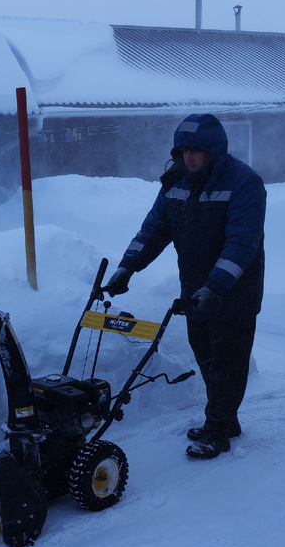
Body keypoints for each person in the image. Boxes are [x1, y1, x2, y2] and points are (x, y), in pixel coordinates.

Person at [104, 113, 266, 460]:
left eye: (197, 151)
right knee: (205, 355)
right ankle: (226, 418)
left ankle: (218, 428)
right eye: (184, 151)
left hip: (233, 292)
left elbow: (242, 243)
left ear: (215, 150)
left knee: (228, 362)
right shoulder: (177, 181)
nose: (189, 158)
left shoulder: (243, 182)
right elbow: (153, 229)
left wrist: (217, 286)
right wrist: (126, 267)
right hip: (195, 291)